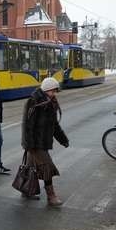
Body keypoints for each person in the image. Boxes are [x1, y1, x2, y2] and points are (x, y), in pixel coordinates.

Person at [21, 77, 69, 206]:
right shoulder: (33, 102)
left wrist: (63, 139)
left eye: (55, 91)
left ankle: (25, 188)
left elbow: (54, 125)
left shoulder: (51, 102)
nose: (54, 94)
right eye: (52, 91)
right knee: (47, 166)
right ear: (46, 90)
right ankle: (51, 196)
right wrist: (29, 144)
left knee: (30, 166)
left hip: (44, 141)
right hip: (35, 143)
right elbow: (27, 125)